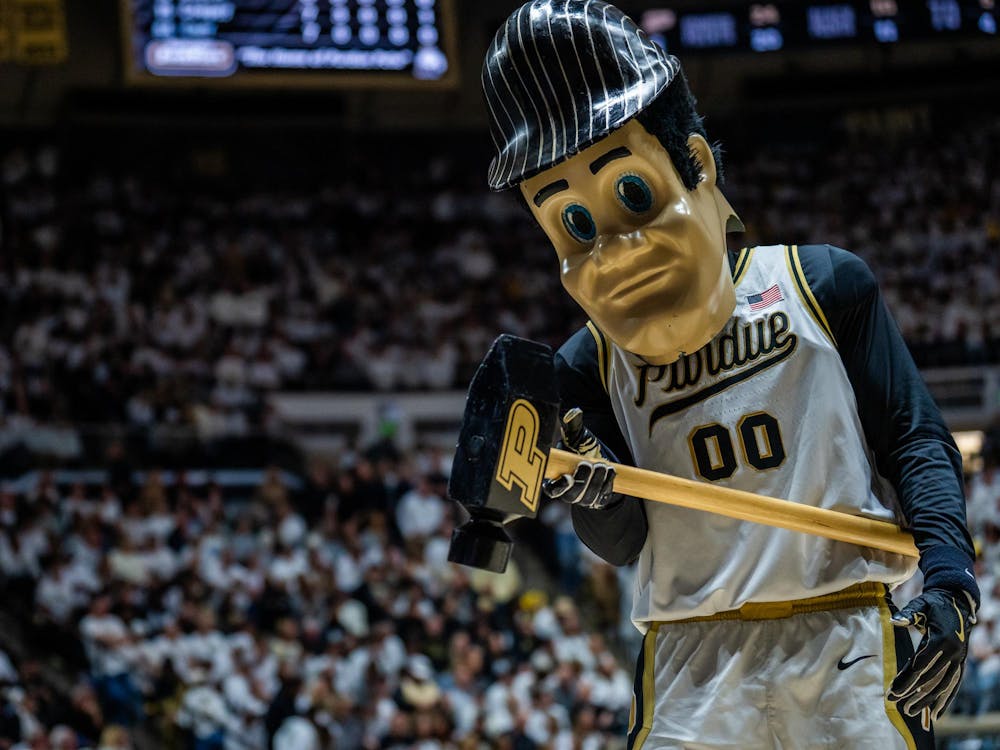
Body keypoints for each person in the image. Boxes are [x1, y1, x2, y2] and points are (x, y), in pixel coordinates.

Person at [480, 2, 978, 748]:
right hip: (689, 657)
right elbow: (621, 542)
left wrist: (950, 582)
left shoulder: (823, 284)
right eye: (575, 225)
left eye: (631, 192)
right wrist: (596, 490)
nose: (613, 250)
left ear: (698, 164)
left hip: (842, 637)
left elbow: (915, 438)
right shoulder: (584, 364)